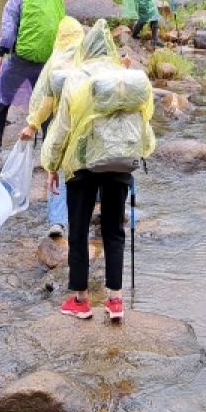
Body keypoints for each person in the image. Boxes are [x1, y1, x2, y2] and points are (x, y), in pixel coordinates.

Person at [40, 20, 156, 322]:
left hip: (82, 166)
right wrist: (139, 154)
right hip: (120, 162)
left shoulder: (76, 78)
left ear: (86, 49)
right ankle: (116, 300)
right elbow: (145, 124)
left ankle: (80, 300)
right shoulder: (126, 79)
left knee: (78, 231)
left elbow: (61, 127)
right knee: (113, 232)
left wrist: (51, 165)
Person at [18, 16, 86, 238]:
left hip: (58, 126)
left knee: (56, 169)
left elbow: (46, 100)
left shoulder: (55, 62)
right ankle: (93, 204)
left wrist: (32, 125)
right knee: (86, 166)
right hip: (84, 125)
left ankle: (57, 221)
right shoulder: (88, 56)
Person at [0, 0, 66, 149]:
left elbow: (8, 29)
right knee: (45, 99)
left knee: (3, 92)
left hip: (21, 58)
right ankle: (49, 147)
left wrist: (0, 53)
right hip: (47, 59)